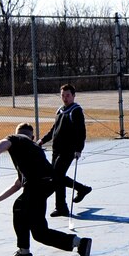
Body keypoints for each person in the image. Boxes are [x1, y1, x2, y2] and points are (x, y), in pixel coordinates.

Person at [0, 123, 92, 256]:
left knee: (19, 208)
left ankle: (23, 252)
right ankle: (80, 243)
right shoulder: (34, 149)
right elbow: (18, 184)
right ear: (33, 137)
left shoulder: (14, 139)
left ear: (16, 133)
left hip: (37, 185)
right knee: (40, 233)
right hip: (46, 186)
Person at [48, 83, 88, 217]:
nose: (65, 98)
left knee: (57, 176)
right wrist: (43, 140)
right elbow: (54, 129)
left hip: (68, 150)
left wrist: (78, 149)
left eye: (68, 95)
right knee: (57, 178)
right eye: (63, 96)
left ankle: (63, 205)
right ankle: (79, 191)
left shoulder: (76, 111)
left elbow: (81, 132)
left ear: (73, 96)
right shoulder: (60, 110)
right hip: (56, 149)